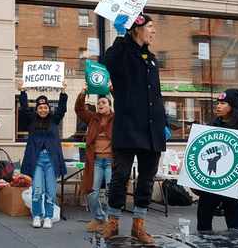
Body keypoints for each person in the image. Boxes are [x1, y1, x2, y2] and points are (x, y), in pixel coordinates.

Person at [102, 14, 166, 245]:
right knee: (119, 177)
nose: (154, 31)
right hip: (128, 127)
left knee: (147, 180)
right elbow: (111, 66)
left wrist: (163, 124)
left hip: (152, 128)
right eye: (150, 27)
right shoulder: (120, 51)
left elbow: (156, 95)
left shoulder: (152, 59)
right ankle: (113, 221)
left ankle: (139, 224)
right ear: (138, 29)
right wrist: (120, 34)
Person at [197, 89, 238, 231]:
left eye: (223, 103)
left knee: (234, 226)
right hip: (210, 185)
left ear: (233, 106)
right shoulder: (210, 127)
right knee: (203, 222)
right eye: (217, 103)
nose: (218, 106)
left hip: (233, 185)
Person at [19, 80, 68, 229]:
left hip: (51, 160)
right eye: (40, 107)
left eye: (45, 107)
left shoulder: (54, 119)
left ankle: (48, 217)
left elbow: (62, 109)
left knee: (51, 190)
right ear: (37, 109)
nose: (43, 110)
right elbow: (25, 108)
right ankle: (37, 216)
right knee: (37, 189)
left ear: (48, 108)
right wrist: (22, 92)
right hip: (37, 160)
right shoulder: (31, 120)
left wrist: (63, 93)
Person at [75, 83, 117, 233]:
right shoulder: (92, 118)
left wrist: (112, 89)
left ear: (110, 105)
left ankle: (110, 220)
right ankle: (99, 218)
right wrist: (83, 92)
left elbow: (123, 105)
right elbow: (79, 110)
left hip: (111, 162)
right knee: (92, 192)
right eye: (99, 103)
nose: (100, 105)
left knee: (111, 191)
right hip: (96, 161)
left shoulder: (116, 119)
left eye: (103, 102)